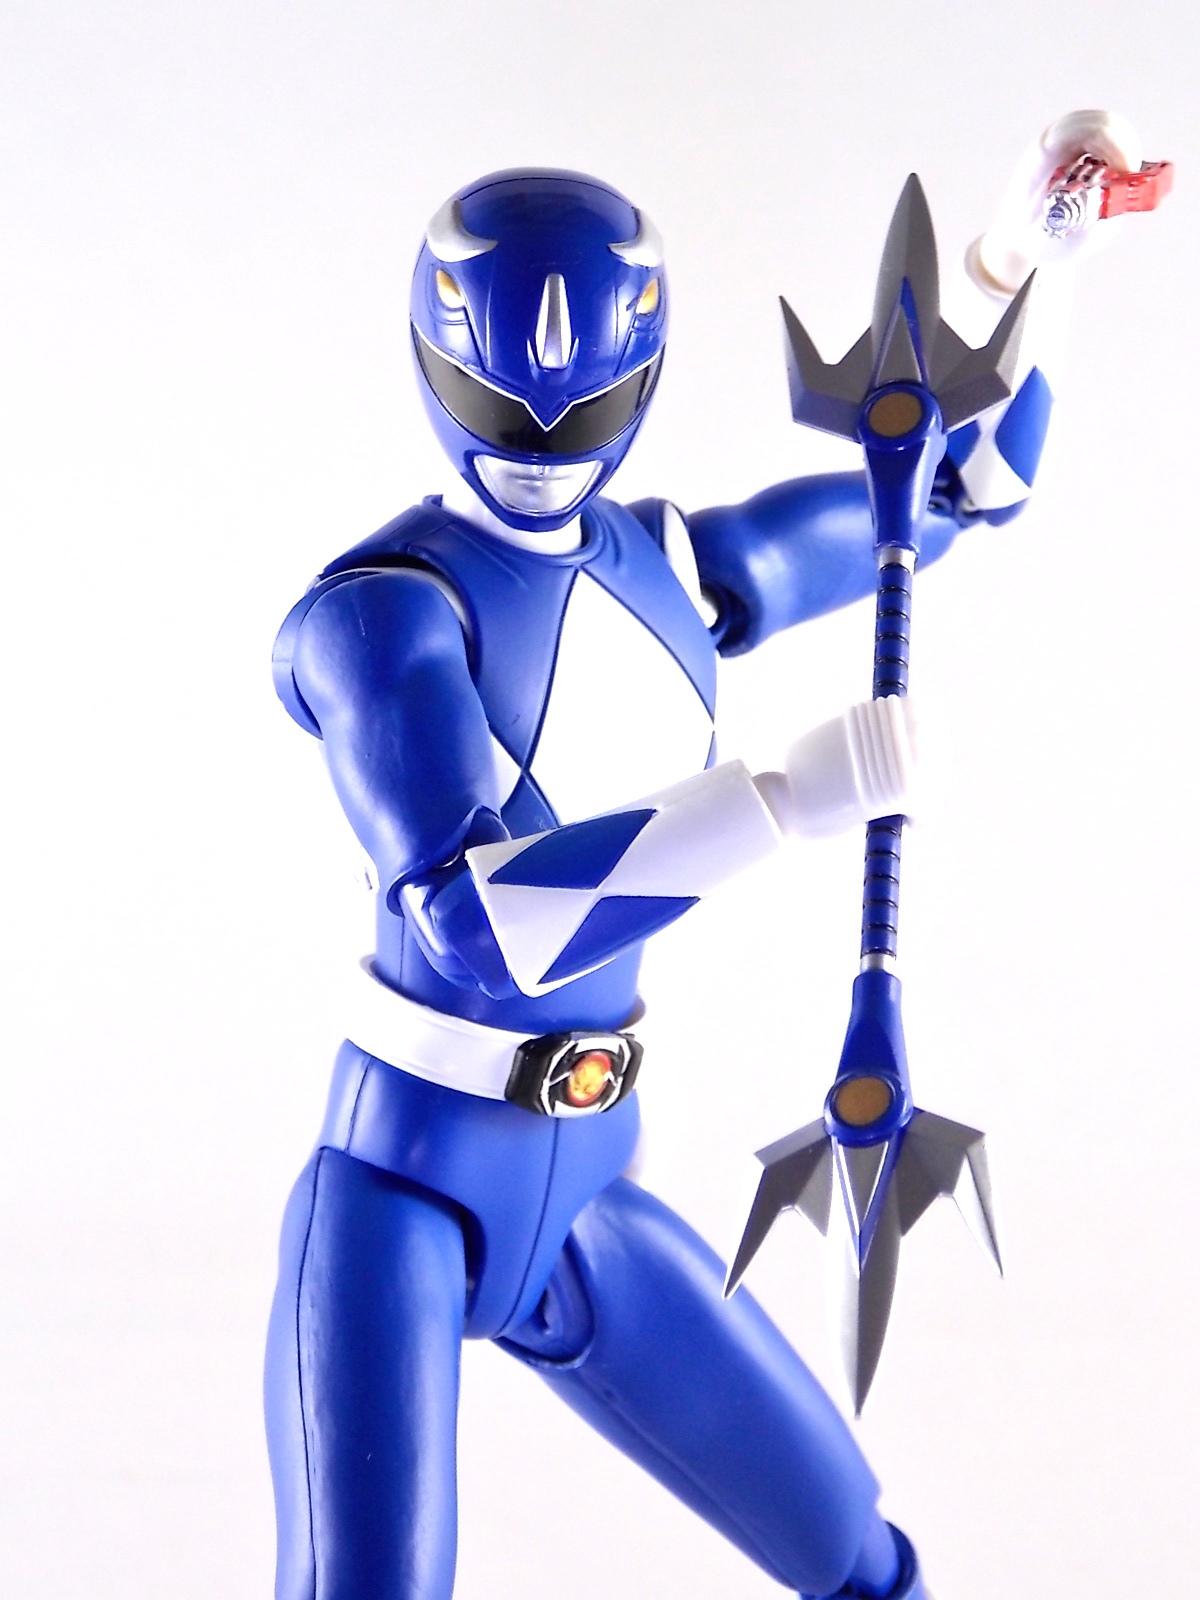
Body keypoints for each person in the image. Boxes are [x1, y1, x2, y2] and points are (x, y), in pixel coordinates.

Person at [265, 112, 1147, 1600]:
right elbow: (483, 925)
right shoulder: (384, 616)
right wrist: (785, 800)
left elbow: (947, 495)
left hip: (585, 1183)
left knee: (858, 1555)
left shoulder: (670, 570)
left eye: (581, 412)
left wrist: (1022, 268)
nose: (538, 453)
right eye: (499, 405)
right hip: (398, 1196)